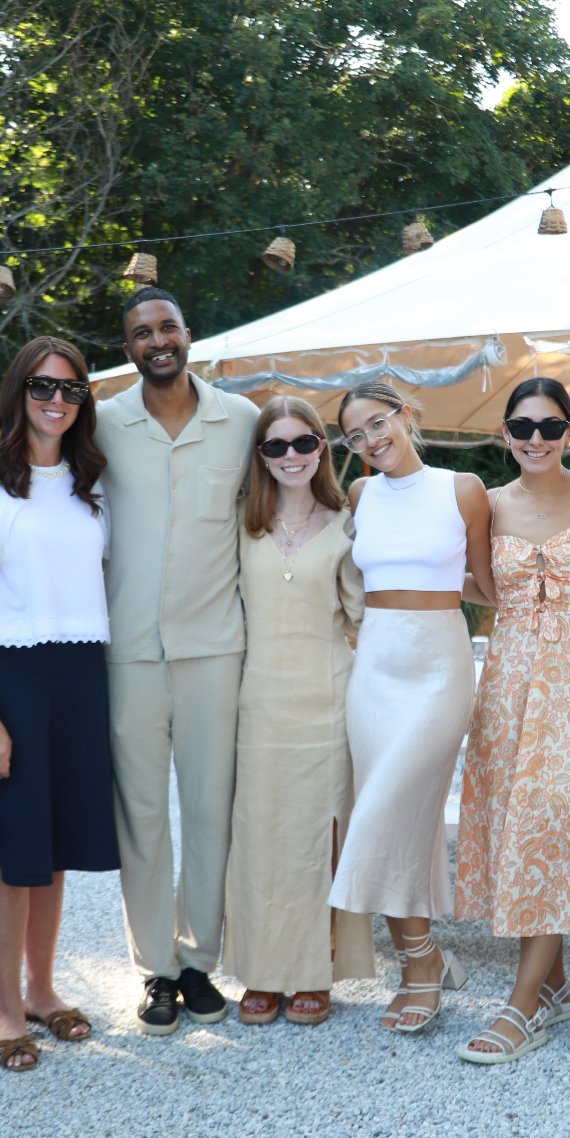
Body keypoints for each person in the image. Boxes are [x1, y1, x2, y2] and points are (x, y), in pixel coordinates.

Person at [0, 336, 120, 1071]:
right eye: (43, 386)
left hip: (81, 674)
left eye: (72, 389)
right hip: (9, 677)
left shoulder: (87, 483)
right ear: (18, 391)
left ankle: (43, 989)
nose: (57, 400)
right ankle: (6, 1007)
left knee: (55, 847)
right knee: (11, 854)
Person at [96, 287, 259, 1035]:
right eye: (142, 332)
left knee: (209, 810)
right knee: (140, 815)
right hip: (127, 650)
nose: (157, 340)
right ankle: (155, 969)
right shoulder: (101, 424)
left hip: (214, 648)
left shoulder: (243, 420)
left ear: (188, 334)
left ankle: (198, 961)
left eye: (167, 327)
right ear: (128, 346)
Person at [454, 378, 570, 1064]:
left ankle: (521, 1007)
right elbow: (475, 585)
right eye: (522, 427)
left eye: (551, 427)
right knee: (514, 818)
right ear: (505, 433)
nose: (536, 439)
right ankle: (553, 986)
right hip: (509, 678)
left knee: (554, 816)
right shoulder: (488, 504)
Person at [328, 380, 496, 1033]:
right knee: (407, 821)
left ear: (404, 415)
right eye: (355, 435)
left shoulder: (463, 488)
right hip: (375, 668)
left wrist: (437, 580)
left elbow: (487, 586)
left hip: (438, 668)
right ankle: (422, 961)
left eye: (378, 422)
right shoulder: (360, 494)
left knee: (385, 807)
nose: (371, 440)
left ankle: (421, 960)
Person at [223, 397, 375, 1026]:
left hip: (328, 703)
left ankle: (315, 972)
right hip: (257, 704)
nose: (291, 456)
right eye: (276, 445)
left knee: (318, 840)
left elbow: (364, 620)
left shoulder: (347, 525)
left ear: (322, 448)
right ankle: (262, 971)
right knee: (260, 838)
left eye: (303, 442)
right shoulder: (240, 523)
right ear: (261, 456)